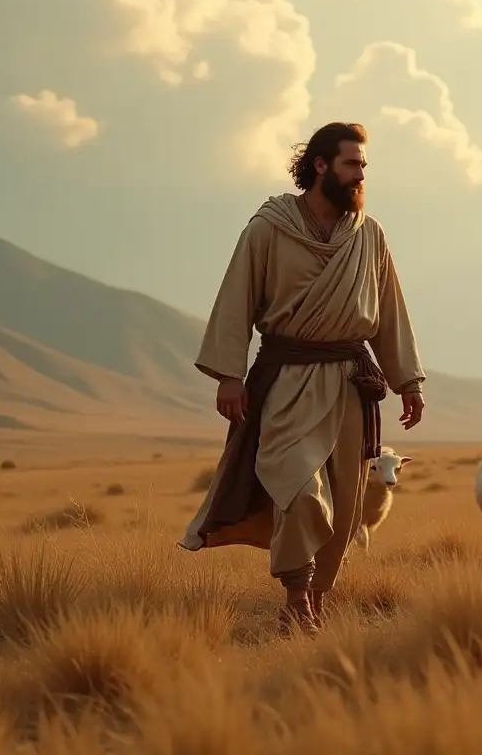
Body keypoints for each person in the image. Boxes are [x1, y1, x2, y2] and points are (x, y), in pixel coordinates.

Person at [178, 121, 427, 636]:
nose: (361, 175)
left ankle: (312, 602)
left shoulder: (369, 235)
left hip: (350, 386)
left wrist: (408, 381)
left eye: (363, 166)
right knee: (296, 486)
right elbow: (237, 299)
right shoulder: (268, 227)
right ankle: (295, 596)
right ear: (320, 166)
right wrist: (229, 375)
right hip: (287, 378)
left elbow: (389, 312)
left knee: (344, 499)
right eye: (351, 164)